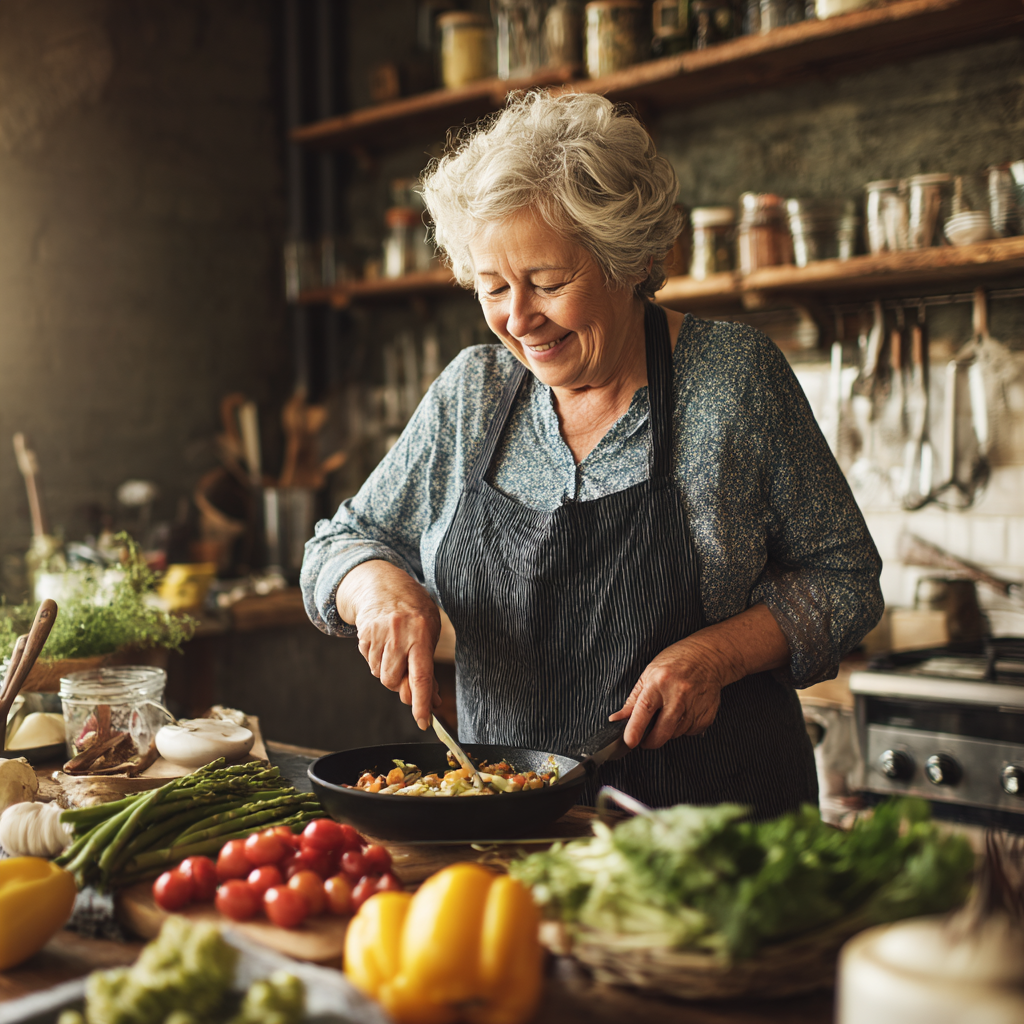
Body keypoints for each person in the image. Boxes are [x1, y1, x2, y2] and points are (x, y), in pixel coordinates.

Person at [301, 91, 882, 817]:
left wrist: (714, 656)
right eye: (492, 287)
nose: (518, 318)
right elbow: (341, 542)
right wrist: (376, 589)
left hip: (713, 830)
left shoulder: (733, 380)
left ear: (629, 261)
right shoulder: (470, 396)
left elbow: (847, 577)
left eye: (548, 283)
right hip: (508, 821)